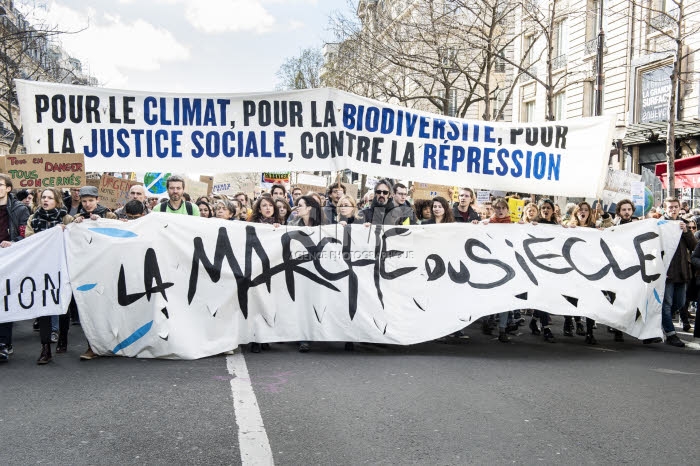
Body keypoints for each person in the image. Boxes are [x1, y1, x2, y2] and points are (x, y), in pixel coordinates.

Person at [25, 188, 74, 364]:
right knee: (44, 306)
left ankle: (63, 337)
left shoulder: (67, 219)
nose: (46, 200)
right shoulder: (33, 219)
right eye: (43, 197)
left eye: (50, 198)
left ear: (57, 201)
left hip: (62, 267)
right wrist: (50, 233)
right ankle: (45, 348)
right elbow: (29, 240)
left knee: (63, 306)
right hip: (41, 268)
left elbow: (75, 240)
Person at [657, 197, 696, 347]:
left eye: (675, 207)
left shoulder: (684, 224)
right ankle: (671, 333)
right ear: (665, 209)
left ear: (680, 208)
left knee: (679, 302)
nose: (673, 210)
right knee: (666, 303)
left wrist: (686, 231)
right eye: (670, 207)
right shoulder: (660, 224)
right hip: (666, 272)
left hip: (682, 271)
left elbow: (694, 246)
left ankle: (661, 321)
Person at [0, 174, 31, 361]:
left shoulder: (20, 209)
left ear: (8, 188)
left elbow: (25, 235)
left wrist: (12, 243)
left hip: (8, 259)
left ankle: (4, 343)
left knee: (4, 300)